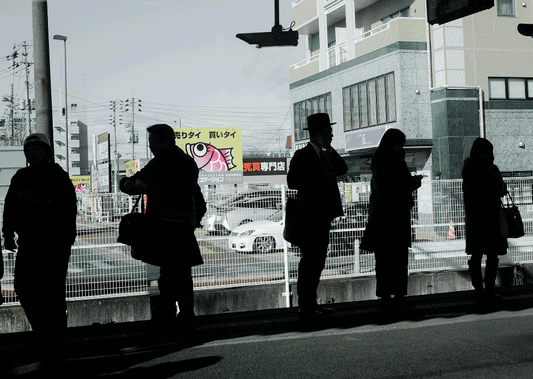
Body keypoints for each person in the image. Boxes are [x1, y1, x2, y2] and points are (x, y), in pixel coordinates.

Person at [120, 123, 203, 335]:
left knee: (170, 275)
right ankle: (183, 317)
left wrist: (139, 186)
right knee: (179, 274)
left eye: (152, 141)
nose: (150, 146)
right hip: (181, 227)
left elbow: (178, 192)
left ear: (165, 140)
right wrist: (130, 184)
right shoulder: (184, 162)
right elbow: (133, 181)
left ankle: (177, 317)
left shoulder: (167, 164)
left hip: (172, 227)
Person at [2, 133, 77, 355]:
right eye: (29, 150)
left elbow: (70, 209)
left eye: (37, 149)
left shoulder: (58, 176)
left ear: (47, 152)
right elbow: (9, 207)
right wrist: (7, 234)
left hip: (55, 244)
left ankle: (55, 336)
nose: (33, 153)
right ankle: (42, 330)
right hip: (28, 242)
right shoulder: (20, 177)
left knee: (52, 291)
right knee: (24, 288)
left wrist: (67, 239)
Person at [287, 113, 348, 319]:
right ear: (318, 134)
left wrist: (329, 150)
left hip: (323, 215)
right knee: (310, 261)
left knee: (318, 260)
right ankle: (305, 305)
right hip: (309, 215)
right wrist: (320, 177)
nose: (331, 135)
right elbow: (292, 181)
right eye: (328, 132)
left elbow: (343, 168)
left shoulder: (326, 153)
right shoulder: (302, 155)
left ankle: (310, 303)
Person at [360, 129, 422, 308]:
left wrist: (410, 184)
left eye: (401, 144)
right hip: (391, 215)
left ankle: (387, 295)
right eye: (397, 144)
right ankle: (396, 295)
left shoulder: (381, 161)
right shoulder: (387, 162)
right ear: (390, 144)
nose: (399, 147)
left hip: (386, 215)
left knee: (387, 259)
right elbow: (390, 189)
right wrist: (412, 184)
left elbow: (388, 188)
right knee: (395, 258)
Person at [462, 137, 507, 302]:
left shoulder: (490, 169)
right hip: (478, 217)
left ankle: (487, 290)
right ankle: (481, 290)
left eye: (489, 153)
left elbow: (501, 189)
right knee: (479, 254)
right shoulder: (470, 170)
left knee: (489, 254)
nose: (487, 156)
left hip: (488, 217)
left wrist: (497, 186)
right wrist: (494, 186)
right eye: (484, 153)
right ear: (477, 153)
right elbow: (476, 192)